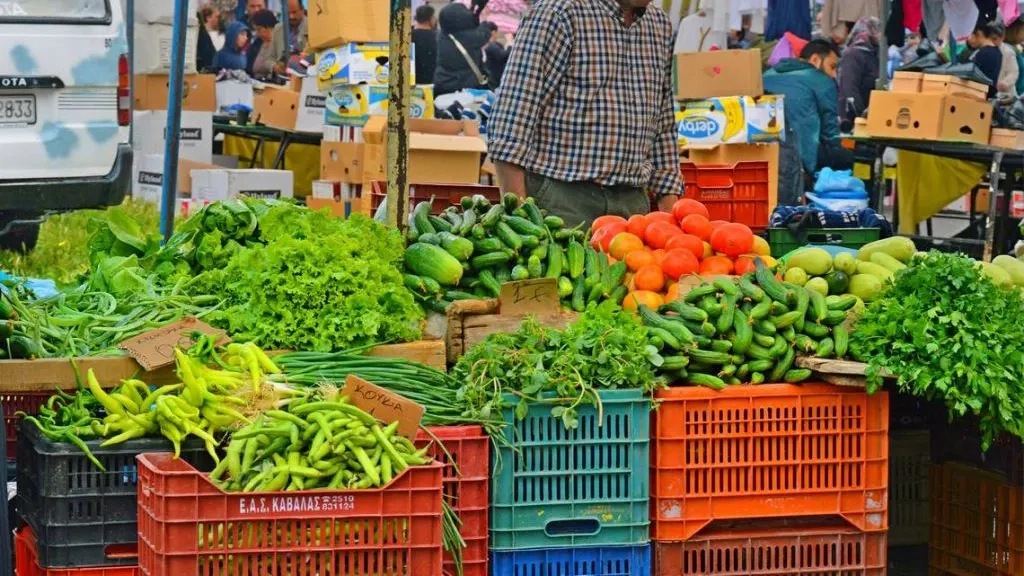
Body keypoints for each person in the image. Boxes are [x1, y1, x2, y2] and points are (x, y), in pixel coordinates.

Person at [487, 0, 684, 228]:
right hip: (561, 200)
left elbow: (663, 124)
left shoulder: (658, 25)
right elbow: (512, 119)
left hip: (632, 204)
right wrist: (518, 220)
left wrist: (672, 221)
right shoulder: (559, 13)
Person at [763, 39, 851, 203]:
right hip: (801, 156)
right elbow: (830, 132)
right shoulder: (822, 81)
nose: (833, 74)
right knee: (849, 158)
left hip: (764, 154)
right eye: (832, 67)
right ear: (815, 60)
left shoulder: (766, 75)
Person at [434, 2, 490, 97]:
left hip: (442, 83)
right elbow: (485, 33)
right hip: (465, 86)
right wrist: (484, 18)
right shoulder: (471, 38)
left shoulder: (441, 36)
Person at [837, 17, 881, 118]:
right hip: (854, 118)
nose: (880, 36)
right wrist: (860, 115)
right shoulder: (853, 55)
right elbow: (849, 89)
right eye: (878, 31)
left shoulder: (873, 54)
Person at [268, 0, 307, 75]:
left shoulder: (313, 28)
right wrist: (275, 67)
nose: (291, 16)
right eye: (288, 13)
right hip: (282, 79)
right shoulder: (277, 29)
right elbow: (269, 59)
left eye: (294, 12)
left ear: (302, 10)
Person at [968, 19, 1005, 97]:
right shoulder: (995, 52)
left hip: (979, 95)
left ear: (979, 33)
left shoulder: (985, 53)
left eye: (970, 34)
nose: (969, 39)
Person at [248, 10, 280, 79]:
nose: (257, 33)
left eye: (259, 29)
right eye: (255, 30)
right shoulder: (257, 44)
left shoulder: (281, 44)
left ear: (269, 27)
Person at [412, 5, 438, 85]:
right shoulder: (438, 37)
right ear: (430, 19)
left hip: (412, 81)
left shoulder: (407, 35)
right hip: (432, 81)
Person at [482, 21, 511, 90]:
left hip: (495, 78)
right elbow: (502, 55)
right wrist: (510, 43)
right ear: (493, 32)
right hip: (493, 80)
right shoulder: (489, 45)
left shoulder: (492, 44)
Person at [196, 4, 223, 72]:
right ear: (208, 18)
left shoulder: (218, 34)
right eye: (217, 17)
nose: (219, 20)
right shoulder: (204, 36)